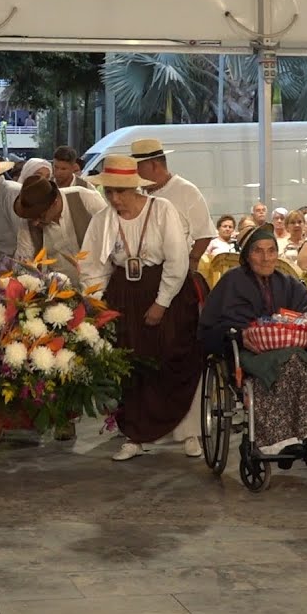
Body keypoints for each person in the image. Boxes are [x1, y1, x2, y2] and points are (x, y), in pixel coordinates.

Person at [78, 155, 202, 461]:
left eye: (120, 191)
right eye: (109, 192)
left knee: (174, 356)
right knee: (130, 363)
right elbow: (91, 265)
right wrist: (97, 303)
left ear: (136, 188)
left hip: (166, 290)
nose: (115, 198)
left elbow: (176, 259)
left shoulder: (162, 210)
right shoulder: (103, 220)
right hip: (125, 293)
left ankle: (189, 433)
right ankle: (135, 433)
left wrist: (161, 302)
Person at [198, 224, 307, 461]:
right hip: (252, 354)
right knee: (286, 365)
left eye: (271, 251)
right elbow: (210, 327)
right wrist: (238, 336)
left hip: (294, 351)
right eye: (258, 251)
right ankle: (277, 439)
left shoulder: (288, 284)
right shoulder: (231, 283)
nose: (266, 258)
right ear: (247, 255)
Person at [133, 138, 217, 271]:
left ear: (154, 165)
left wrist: (190, 262)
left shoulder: (186, 190)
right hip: (141, 270)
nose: (136, 172)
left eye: (139, 167)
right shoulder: (137, 192)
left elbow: (204, 234)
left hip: (173, 269)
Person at [12, 174, 107, 287]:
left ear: (55, 203)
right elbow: (23, 263)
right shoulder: (29, 222)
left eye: (40, 215)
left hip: (101, 284)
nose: (35, 222)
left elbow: (111, 236)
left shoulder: (85, 198)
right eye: (32, 217)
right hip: (60, 291)